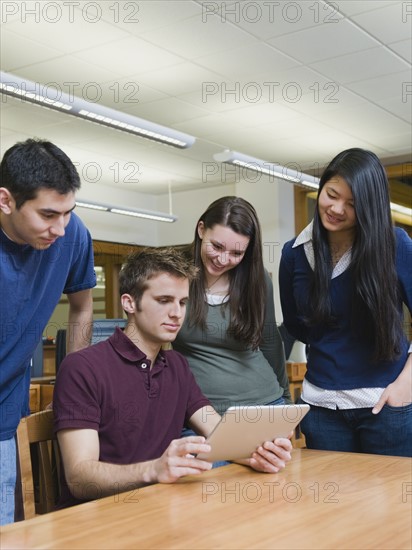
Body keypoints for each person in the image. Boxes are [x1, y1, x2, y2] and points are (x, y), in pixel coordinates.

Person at [53, 248, 292, 507]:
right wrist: (154, 470)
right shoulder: (82, 368)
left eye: (183, 302)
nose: (177, 313)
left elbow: (218, 431)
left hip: (161, 508)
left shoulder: (177, 365)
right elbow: (79, 478)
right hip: (97, 519)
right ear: (129, 303)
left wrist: (257, 455)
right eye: (164, 300)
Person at [279, 148, 412, 457]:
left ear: (369, 208)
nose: (337, 208)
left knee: (393, 505)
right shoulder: (295, 253)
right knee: (332, 503)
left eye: (352, 204)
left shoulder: (394, 245)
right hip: (321, 409)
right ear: (321, 187)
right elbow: (298, 326)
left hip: (385, 406)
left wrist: (405, 385)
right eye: (332, 194)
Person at [0, 138, 96, 525]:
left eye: (68, 212)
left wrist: (72, 386)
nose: (59, 227)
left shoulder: (72, 236)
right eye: (47, 214)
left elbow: (82, 306)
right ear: (5, 200)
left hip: (5, 416)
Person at [173, 196, 291, 419]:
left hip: (265, 403)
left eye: (236, 253)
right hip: (200, 411)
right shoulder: (173, 272)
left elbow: (270, 341)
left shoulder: (257, 280)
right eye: (216, 246)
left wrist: (286, 402)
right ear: (201, 229)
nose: (222, 259)